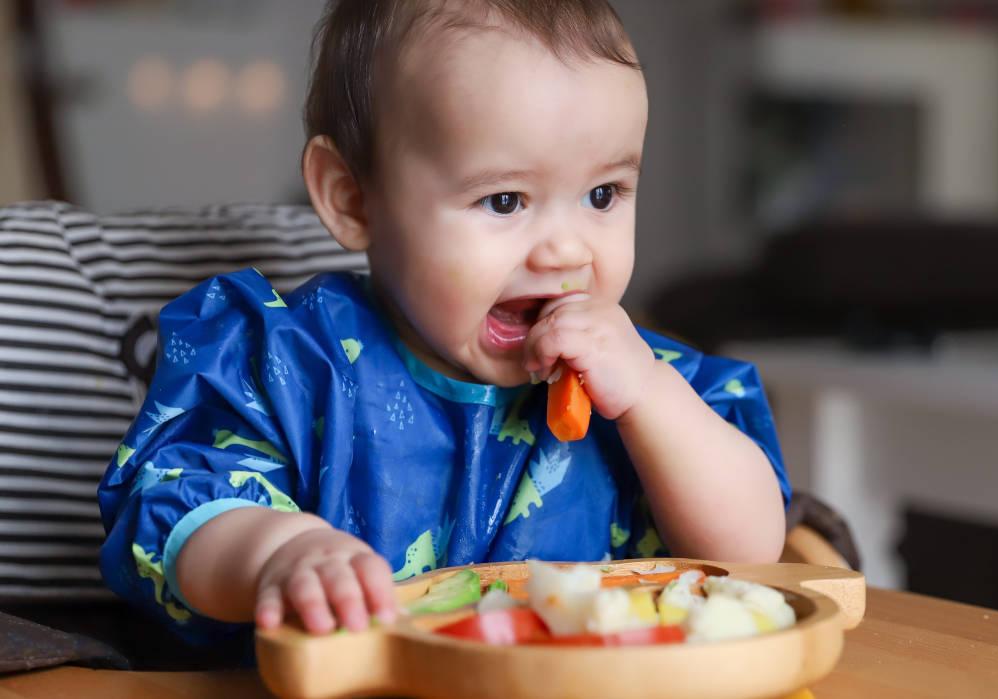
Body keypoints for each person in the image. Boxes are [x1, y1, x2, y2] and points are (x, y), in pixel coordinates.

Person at [98, 0, 790, 647]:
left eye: (602, 194)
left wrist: (649, 398)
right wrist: (278, 552)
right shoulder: (287, 364)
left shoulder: (646, 384)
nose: (567, 250)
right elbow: (175, 511)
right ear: (353, 199)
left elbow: (753, 551)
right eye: (504, 199)